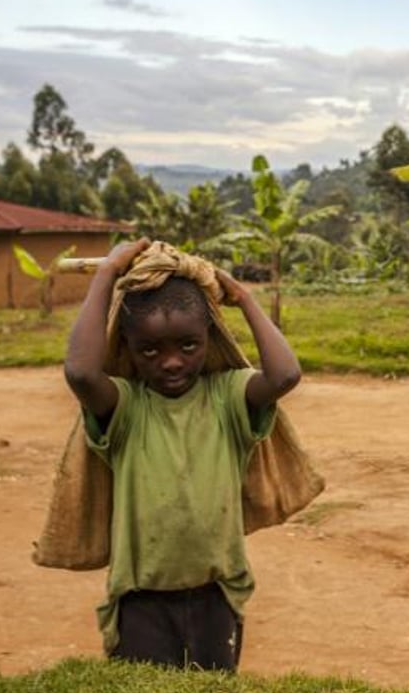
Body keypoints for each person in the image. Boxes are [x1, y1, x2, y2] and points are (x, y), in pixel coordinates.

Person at [62, 237, 302, 671]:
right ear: (129, 351)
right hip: (140, 605)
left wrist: (243, 296)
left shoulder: (228, 397)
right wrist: (106, 273)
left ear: (209, 339)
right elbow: (80, 372)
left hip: (218, 596)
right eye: (150, 350)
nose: (171, 362)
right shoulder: (127, 408)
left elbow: (284, 374)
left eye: (187, 346)